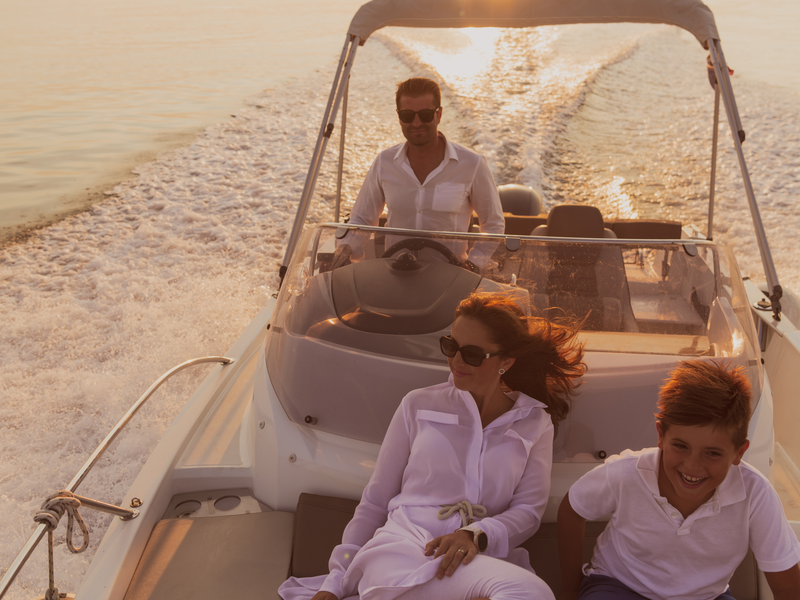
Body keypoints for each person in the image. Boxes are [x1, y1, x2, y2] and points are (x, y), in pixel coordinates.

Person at [279, 292, 586, 600]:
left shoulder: (534, 423)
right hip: (401, 547)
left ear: (505, 361)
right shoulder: (418, 405)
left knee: (529, 593)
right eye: (451, 346)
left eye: (472, 354)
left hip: (479, 558)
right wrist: (334, 583)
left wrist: (476, 535)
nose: (455, 360)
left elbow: (528, 512)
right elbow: (374, 503)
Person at [557, 360, 800, 600]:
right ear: (661, 436)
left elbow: (787, 587)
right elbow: (573, 508)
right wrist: (569, 590)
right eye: (681, 446)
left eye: (712, 453)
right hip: (619, 586)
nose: (692, 466)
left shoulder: (757, 494)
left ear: (739, 452)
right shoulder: (625, 473)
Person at [339, 77, 505, 267]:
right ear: (399, 116)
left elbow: (493, 225)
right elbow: (362, 219)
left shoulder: (473, 164)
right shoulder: (384, 162)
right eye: (408, 116)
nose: (416, 123)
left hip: (451, 277)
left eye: (425, 115)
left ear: (439, 115)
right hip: (394, 273)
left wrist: (474, 264)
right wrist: (344, 250)